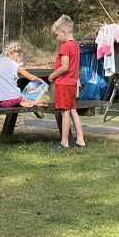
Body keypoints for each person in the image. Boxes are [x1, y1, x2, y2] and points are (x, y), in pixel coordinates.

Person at [49, 15, 87, 149]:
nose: (57, 37)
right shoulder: (76, 45)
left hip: (63, 83)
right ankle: (80, 139)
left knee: (65, 112)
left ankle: (64, 142)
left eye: (57, 34)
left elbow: (64, 67)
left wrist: (53, 75)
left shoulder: (65, 47)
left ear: (64, 32)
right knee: (73, 110)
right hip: (72, 83)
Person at [0, 41, 47, 109]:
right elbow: (32, 78)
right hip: (15, 99)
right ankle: (30, 102)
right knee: (22, 94)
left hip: (0, 102)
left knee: (18, 96)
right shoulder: (17, 66)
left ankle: (27, 102)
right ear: (17, 55)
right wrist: (42, 82)